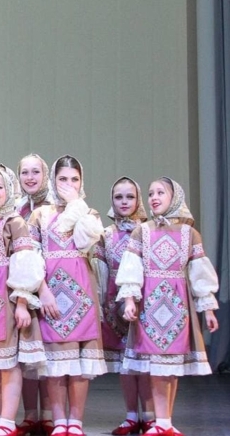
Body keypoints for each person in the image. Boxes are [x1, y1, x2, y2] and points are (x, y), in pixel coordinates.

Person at [116, 178, 219, 436]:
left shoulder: (189, 233)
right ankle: (161, 422)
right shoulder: (143, 231)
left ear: (175, 197)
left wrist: (207, 308)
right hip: (150, 306)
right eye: (151, 193)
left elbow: (199, 272)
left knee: (170, 368)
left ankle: (166, 422)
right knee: (158, 366)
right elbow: (131, 268)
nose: (154, 197)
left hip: (177, 306)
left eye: (160, 192)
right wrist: (129, 300)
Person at [28, 155, 105, 436]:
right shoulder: (40, 214)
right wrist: (43, 291)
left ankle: (76, 421)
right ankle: (59, 421)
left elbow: (85, 242)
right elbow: (30, 256)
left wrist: (76, 207)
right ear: (53, 180)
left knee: (79, 365)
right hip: (51, 291)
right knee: (56, 361)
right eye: (63, 179)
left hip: (81, 292)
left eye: (74, 179)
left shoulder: (89, 214)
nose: (68, 185)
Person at [0, 166, 46, 436]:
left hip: (6, 295)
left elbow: (25, 261)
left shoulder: (15, 221)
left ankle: (7, 421)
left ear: (9, 190)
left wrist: (23, 302)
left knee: (9, 363)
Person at [93, 177, 154, 435]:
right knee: (125, 364)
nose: (124, 202)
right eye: (119, 197)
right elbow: (100, 272)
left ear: (138, 199)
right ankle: (131, 416)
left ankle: (150, 416)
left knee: (145, 361)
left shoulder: (150, 231)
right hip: (115, 304)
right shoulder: (106, 235)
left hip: (145, 301)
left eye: (130, 196)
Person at [15, 153, 52, 435]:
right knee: (26, 353)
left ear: (45, 175)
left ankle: (48, 415)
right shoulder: (16, 208)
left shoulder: (54, 207)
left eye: (35, 172)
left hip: (50, 285)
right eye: (25, 172)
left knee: (47, 354)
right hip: (22, 287)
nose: (30, 177)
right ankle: (29, 414)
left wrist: (43, 287)